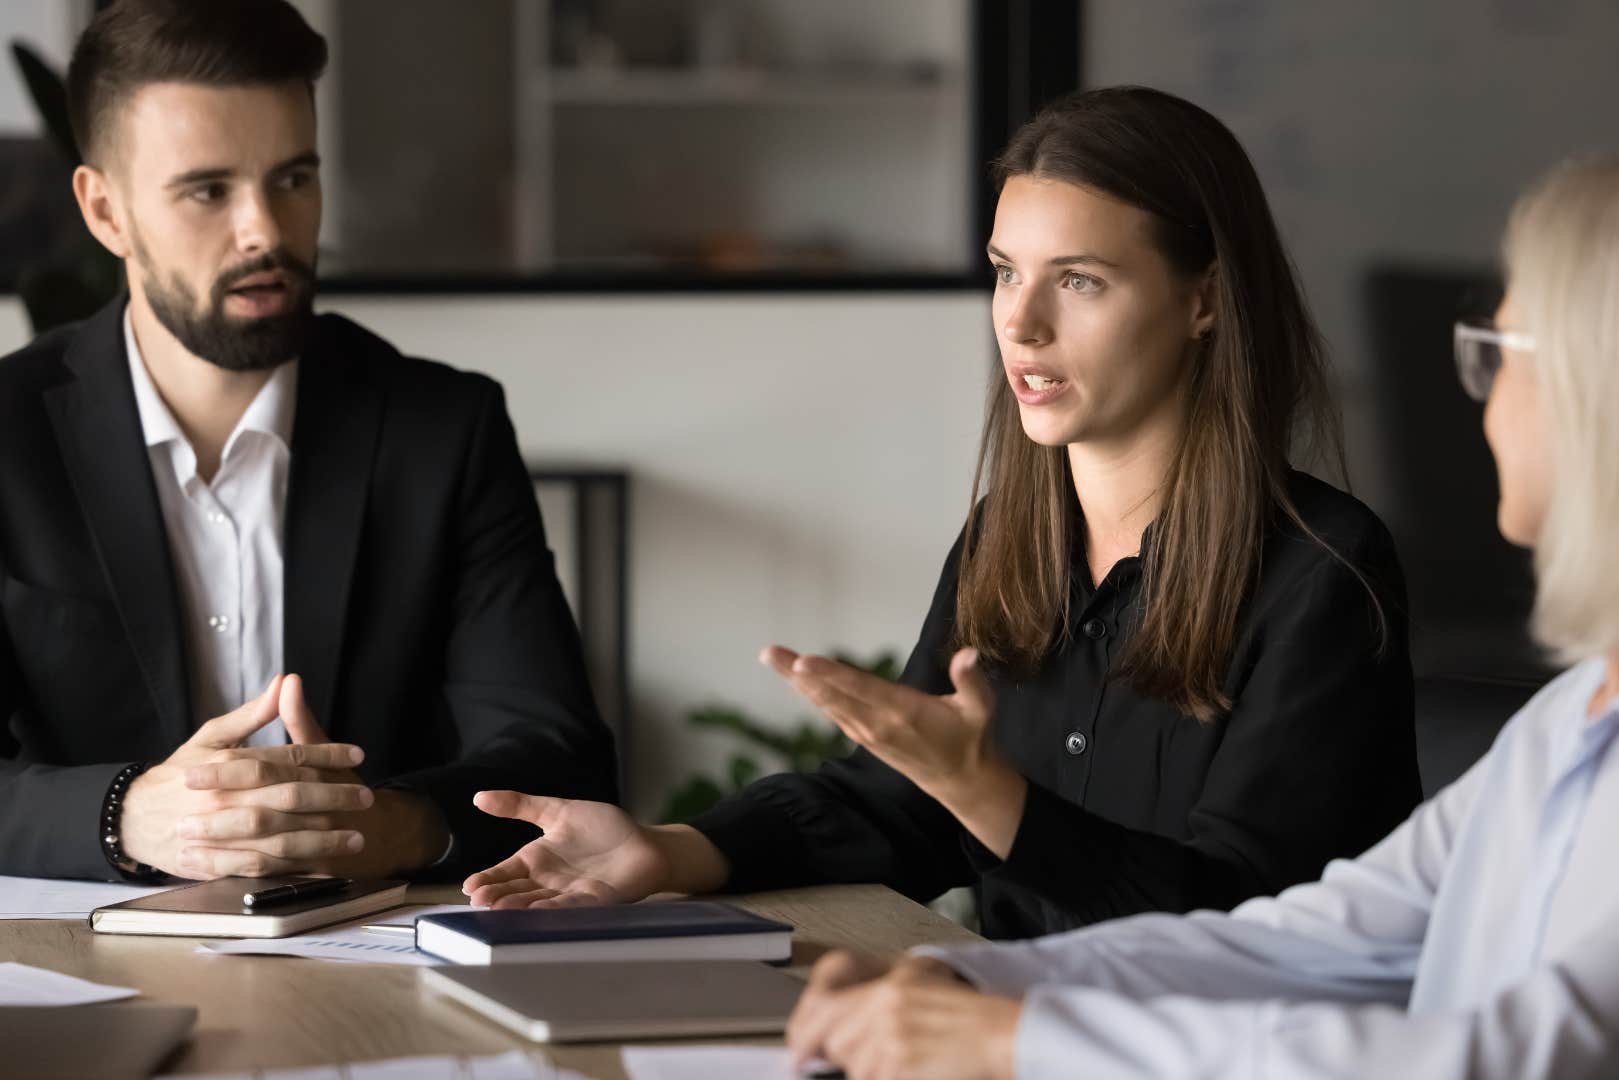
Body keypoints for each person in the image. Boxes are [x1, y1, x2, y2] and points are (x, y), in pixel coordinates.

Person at [776, 144, 1619, 1079]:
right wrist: (974, 984)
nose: (1481, 400)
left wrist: (1024, 1036)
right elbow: (1304, 943)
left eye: (1500, 352)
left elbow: (1517, 1060)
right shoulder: (1595, 712)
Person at [463, 86, 1421, 939]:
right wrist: (670, 851)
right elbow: (900, 808)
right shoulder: (1009, 536)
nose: (1020, 321)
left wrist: (990, 797)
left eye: (1078, 280)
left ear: (1204, 300)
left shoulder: (1324, 572)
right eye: (1008, 271)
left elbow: (1250, 918)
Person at [0, 0, 615, 883]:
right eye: (209, 190)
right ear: (105, 212)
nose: (264, 231)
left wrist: (382, 824)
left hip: (372, 966)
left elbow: (562, 763)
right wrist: (126, 816)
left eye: (293, 179)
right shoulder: (9, 436)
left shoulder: (442, 431)